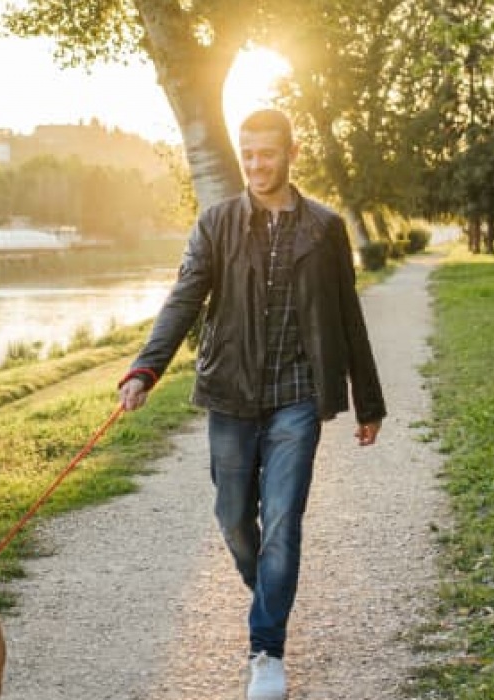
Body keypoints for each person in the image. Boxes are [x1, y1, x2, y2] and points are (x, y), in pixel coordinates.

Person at [115, 109, 386, 700]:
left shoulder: (325, 227)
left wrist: (369, 401)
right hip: (232, 394)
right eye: (248, 154)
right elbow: (182, 299)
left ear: (290, 152)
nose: (257, 164)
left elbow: (348, 316)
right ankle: (268, 586)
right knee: (235, 519)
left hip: (297, 397)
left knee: (283, 522)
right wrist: (145, 368)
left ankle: (267, 650)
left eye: (267, 153)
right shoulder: (216, 224)